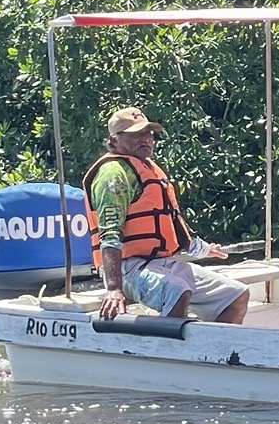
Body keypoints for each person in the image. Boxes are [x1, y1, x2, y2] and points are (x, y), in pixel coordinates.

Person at [81, 106, 248, 324]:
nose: (145, 139)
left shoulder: (149, 168)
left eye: (148, 133)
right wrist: (114, 288)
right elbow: (110, 235)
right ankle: (165, 353)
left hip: (163, 261)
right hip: (127, 268)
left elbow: (172, 226)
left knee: (235, 296)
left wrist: (205, 249)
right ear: (114, 141)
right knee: (177, 291)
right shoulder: (113, 174)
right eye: (135, 134)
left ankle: (212, 354)